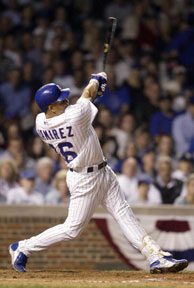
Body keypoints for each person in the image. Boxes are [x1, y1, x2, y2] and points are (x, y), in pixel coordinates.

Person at [9, 73, 188, 273]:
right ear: (51, 107)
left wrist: (95, 90)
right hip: (84, 178)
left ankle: (155, 256)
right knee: (72, 229)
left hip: (103, 171)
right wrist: (98, 79)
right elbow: (87, 93)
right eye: (61, 100)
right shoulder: (74, 116)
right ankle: (23, 247)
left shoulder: (40, 122)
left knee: (124, 214)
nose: (66, 101)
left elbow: (87, 97)